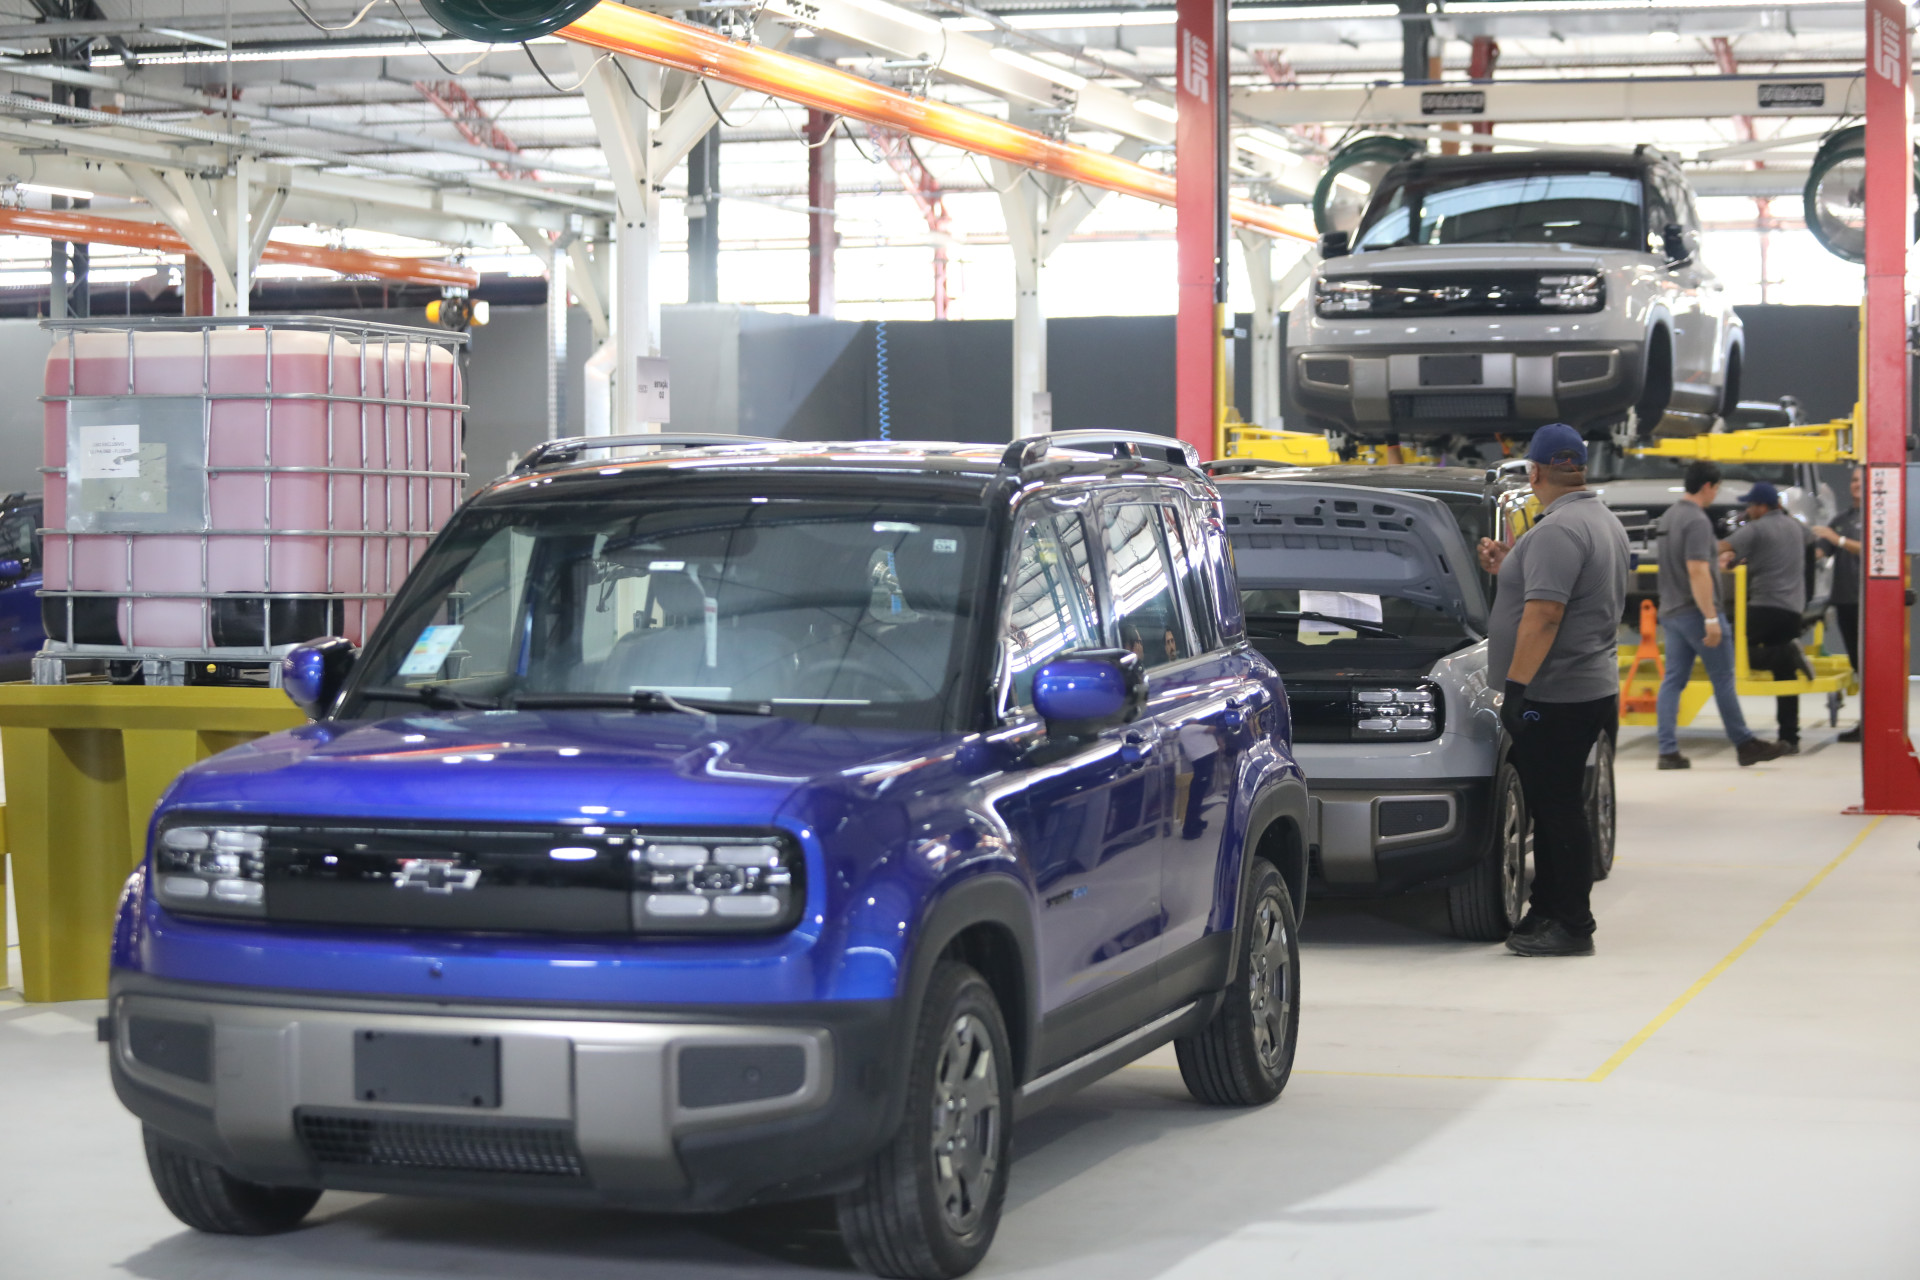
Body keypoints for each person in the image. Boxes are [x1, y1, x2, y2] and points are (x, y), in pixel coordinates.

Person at [1478, 423, 1629, 958]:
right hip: (1587, 686)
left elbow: (1544, 616)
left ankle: (1570, 923)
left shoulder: (1558, 532)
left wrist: (1516, 690)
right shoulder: (1600, 522)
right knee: (1558, 805)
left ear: (1535, 471)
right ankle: (1549, 910)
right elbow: (1555, 589)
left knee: (1558, 807)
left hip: (1557, 692)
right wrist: (1509, 566)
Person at [1653, 461, 1789, 768]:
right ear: (1707, 487)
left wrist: (1718, 559)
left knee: (1673, 680)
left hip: (1671, 610)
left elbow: (1688, 561)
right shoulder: (1697, 521)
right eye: (1716, 488)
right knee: (1724, 678)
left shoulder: (1670, 516)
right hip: (1696, 612)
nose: (1715, 494)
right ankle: (1744, 744)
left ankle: (1667, 751)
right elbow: (1696, 569)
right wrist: (1711, 617)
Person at [1719, 481, 1816, 754]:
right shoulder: (1796, 527)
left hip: (1764, 607)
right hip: (1793, 610)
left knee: (1730, 649)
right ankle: (1790, 738)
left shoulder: (1756, 529)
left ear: (1762, 506)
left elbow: (1720, 547)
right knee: (1784, 676)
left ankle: (1786, 654)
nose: (1747, 510)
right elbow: (1808, 545)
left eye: (1750, 505)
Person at [1812, 466, 1863, 742]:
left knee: (1869, 666)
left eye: (1861, 479)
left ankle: (1873, 722)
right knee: (1857, 664)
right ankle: (1866, 722)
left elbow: (1870, 549)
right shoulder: (1841, 519)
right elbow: (1822, 550)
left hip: (1867, 603)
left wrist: (1839, 540)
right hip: (1844, 602)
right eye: (1854, 480)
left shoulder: (1876, 518)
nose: (1856, 484)